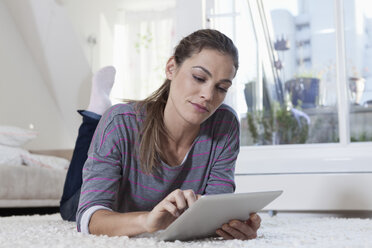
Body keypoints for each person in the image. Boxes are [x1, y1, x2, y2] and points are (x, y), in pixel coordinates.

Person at [60, 29, 261, 240]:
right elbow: (89, 219)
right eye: (199, 78)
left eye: (221, 87)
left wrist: (232, 224)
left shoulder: (225, 125)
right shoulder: (119, 123)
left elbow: (215, 207)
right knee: (69, 206)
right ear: (171, 68)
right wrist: (147, 221)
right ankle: (94, 115)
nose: (208, 95)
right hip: (106, 203)